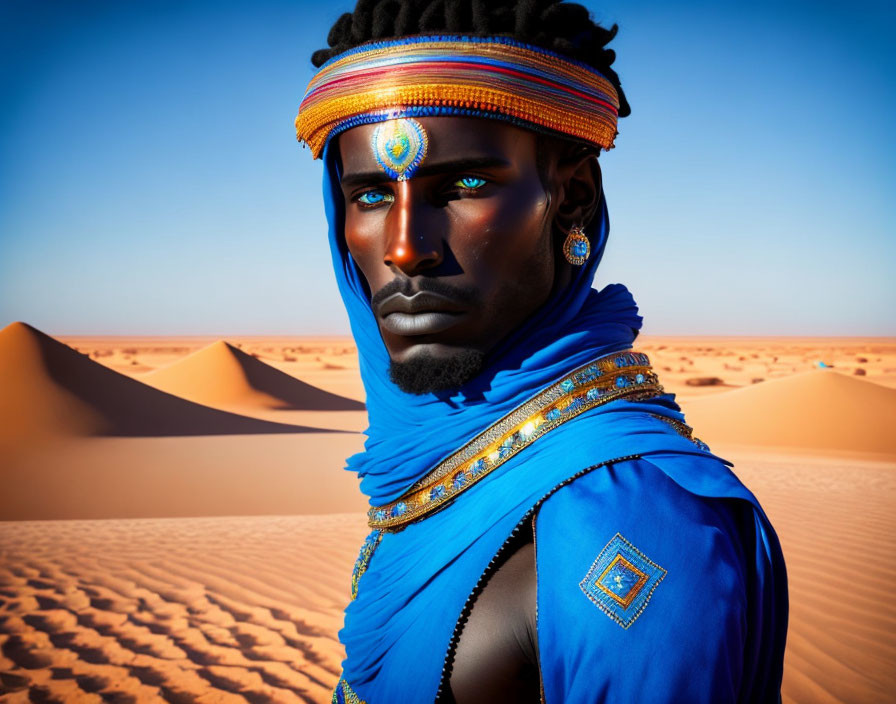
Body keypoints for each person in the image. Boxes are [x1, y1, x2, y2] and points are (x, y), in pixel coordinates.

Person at [294, 1, 788, 702]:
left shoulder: (627, 516)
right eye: (371, 193)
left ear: (573, 198)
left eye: (464, 186)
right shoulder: (433, 471)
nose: (405, 246)